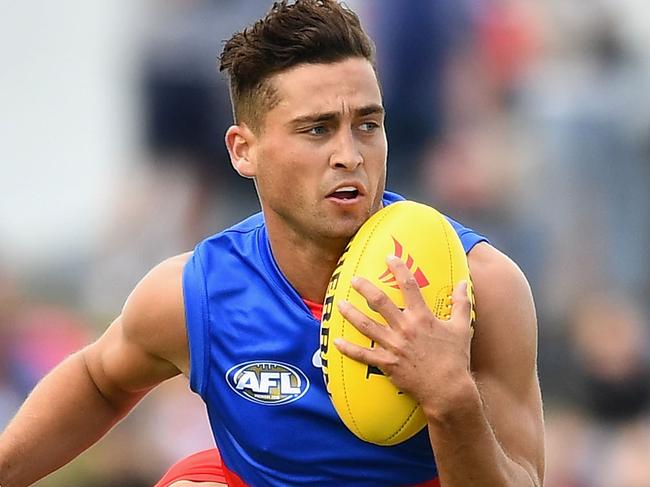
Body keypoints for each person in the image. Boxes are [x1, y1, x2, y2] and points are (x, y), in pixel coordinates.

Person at [0, 1, 545, 486]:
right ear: (244, 151)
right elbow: (99, 379)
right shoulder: (197, 294)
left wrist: (451, 398)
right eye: (317, 129)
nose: (349, 154)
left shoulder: (479, 287)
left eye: (368, 124)